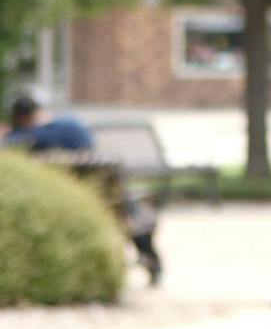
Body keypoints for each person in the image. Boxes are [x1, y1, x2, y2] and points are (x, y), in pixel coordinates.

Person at [5, 92, 162, 283]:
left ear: (21, 118)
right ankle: (151, 260)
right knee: (131, 212)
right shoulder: (71, 125)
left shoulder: (32, 136)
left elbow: (10, 144)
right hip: (109, 197)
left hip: (70, 201)